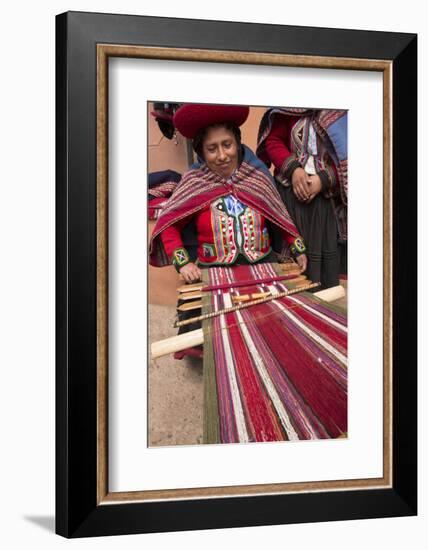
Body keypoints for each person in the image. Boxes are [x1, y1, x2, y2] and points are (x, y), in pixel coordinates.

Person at [149, 103, 307, 284]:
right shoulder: (194, 181)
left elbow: (279, 216)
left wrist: (298, 249)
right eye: (212, 149)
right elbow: (169, 225)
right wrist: (183, 263)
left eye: (227, 145)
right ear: (201, 151)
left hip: (264, 269)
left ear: (237, 144)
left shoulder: (257, 175)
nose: (222, 155)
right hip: (213, 274)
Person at [257, 107, 348, 289]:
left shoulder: (345, 114)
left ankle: (323, 311)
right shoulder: (288, 110)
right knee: (291, 266)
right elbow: (274, 141)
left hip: (327, 203)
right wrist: (293, 169)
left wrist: (323, 180)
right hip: (290, 198)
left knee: (325, 277)